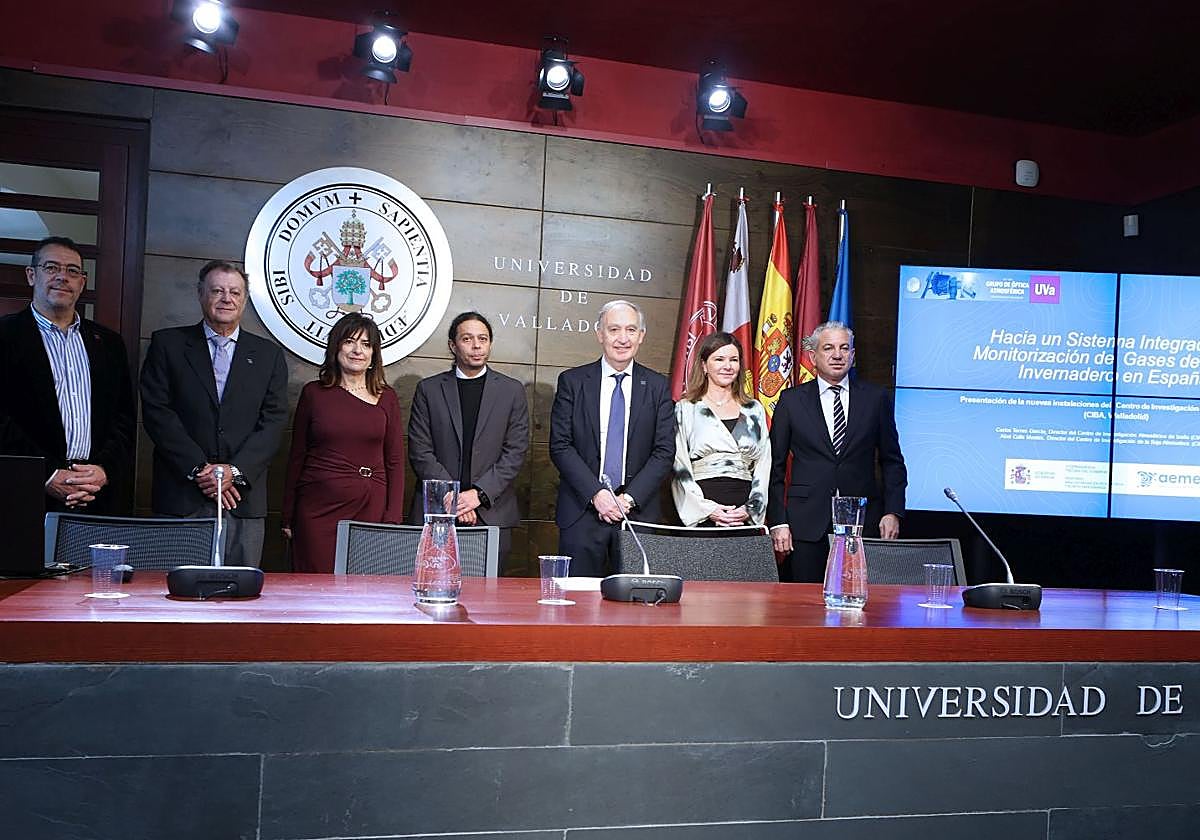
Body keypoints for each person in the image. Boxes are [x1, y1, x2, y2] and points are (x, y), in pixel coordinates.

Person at [140, 260, 288, 568]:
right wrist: (201, 470)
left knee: (240, 590)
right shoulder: (168, 344)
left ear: (244, 300)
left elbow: (273, 422)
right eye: (217, 290)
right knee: (177, 590)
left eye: (235, 292)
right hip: (182, 495)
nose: (226, 299)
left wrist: (234, 472)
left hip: (242, 498)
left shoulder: (268, 355)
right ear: (200, 294)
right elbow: (157, 413)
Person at [0, 236, 135, 514]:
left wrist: (103, 470)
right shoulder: (5, 335)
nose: (62, 277)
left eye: (72, 271)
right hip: (24, 491)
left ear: (82, 283)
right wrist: (48, 474)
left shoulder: (109, 343)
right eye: (51, 268)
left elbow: (124, 418)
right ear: (31, 275)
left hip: (96, 492)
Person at [767, 321, 907, 583]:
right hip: (806, 524)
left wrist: (893, 512)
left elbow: (892, 461)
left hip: (862, 523)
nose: (837, 355)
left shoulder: (875, 399)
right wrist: (778, 521)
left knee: (858, 599)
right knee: (805, 602)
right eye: (828, 348)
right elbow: (773, 467)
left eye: (844, 348)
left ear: (852, 356)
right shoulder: (791, 401)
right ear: (813, 357)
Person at [550, 299, 675, 576]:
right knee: (579, 599)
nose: (623, 338)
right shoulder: (573, 382)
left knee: (636, 600)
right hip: (582, 512)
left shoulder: (657, 386)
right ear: (600, 334)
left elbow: (664, 451)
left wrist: (627, 499)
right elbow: (560, 446)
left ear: (641, 336)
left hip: (637, 516)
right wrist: (597, 495)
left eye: (631, 330)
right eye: (614, 329)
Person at [282, 313, 405, 573]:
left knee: (363, 589)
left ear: (374, 354)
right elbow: (297, 456)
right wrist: (288, 515)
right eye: (349, 341)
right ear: (336, 347)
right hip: (317, 511)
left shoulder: (387, 397)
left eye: (366, 344)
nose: (358, 350)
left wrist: (393, 518)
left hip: (370, 511)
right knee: (317, 587)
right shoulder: (313, 393)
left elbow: (395, 462)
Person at [407, 311, 529, 567]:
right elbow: (420, 451)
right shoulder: (429, 389)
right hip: (438, 511)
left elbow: (515, 452)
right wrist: (453, 497)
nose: (476, 346)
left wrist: (478, 495)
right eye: (467, 339)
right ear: (453, 345)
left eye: (483, 339)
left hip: (492, 513)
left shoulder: (511, 390)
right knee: (432, 585)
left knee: (489, 590)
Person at [672, 331, 771, 527]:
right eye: (719, 359)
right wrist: (707, 510)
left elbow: (764, 464)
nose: (727, 366)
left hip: (743, 511)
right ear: (704, 365)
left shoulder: (754, 409)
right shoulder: (686, 408)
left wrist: (751, 508)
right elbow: (679, 465)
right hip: (702, 510)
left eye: (733, 360)